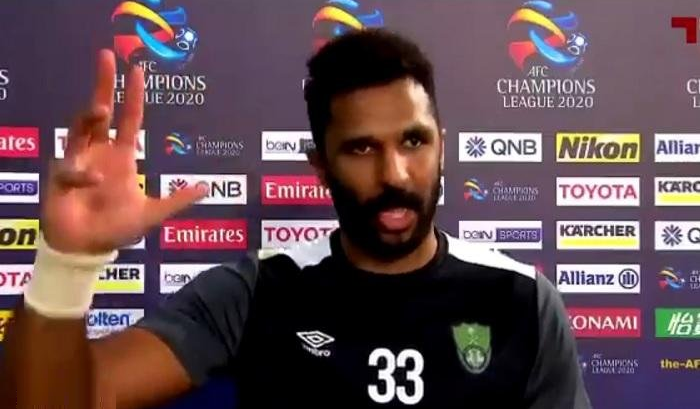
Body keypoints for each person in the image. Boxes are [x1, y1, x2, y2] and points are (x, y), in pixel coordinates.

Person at [0, 29, 591, 409]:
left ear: (442, 146)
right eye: (361, 148)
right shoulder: (257, 290)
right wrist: (66, 262)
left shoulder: (521, 299)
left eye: (414, 141)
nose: (395, 174)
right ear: (320, 167)